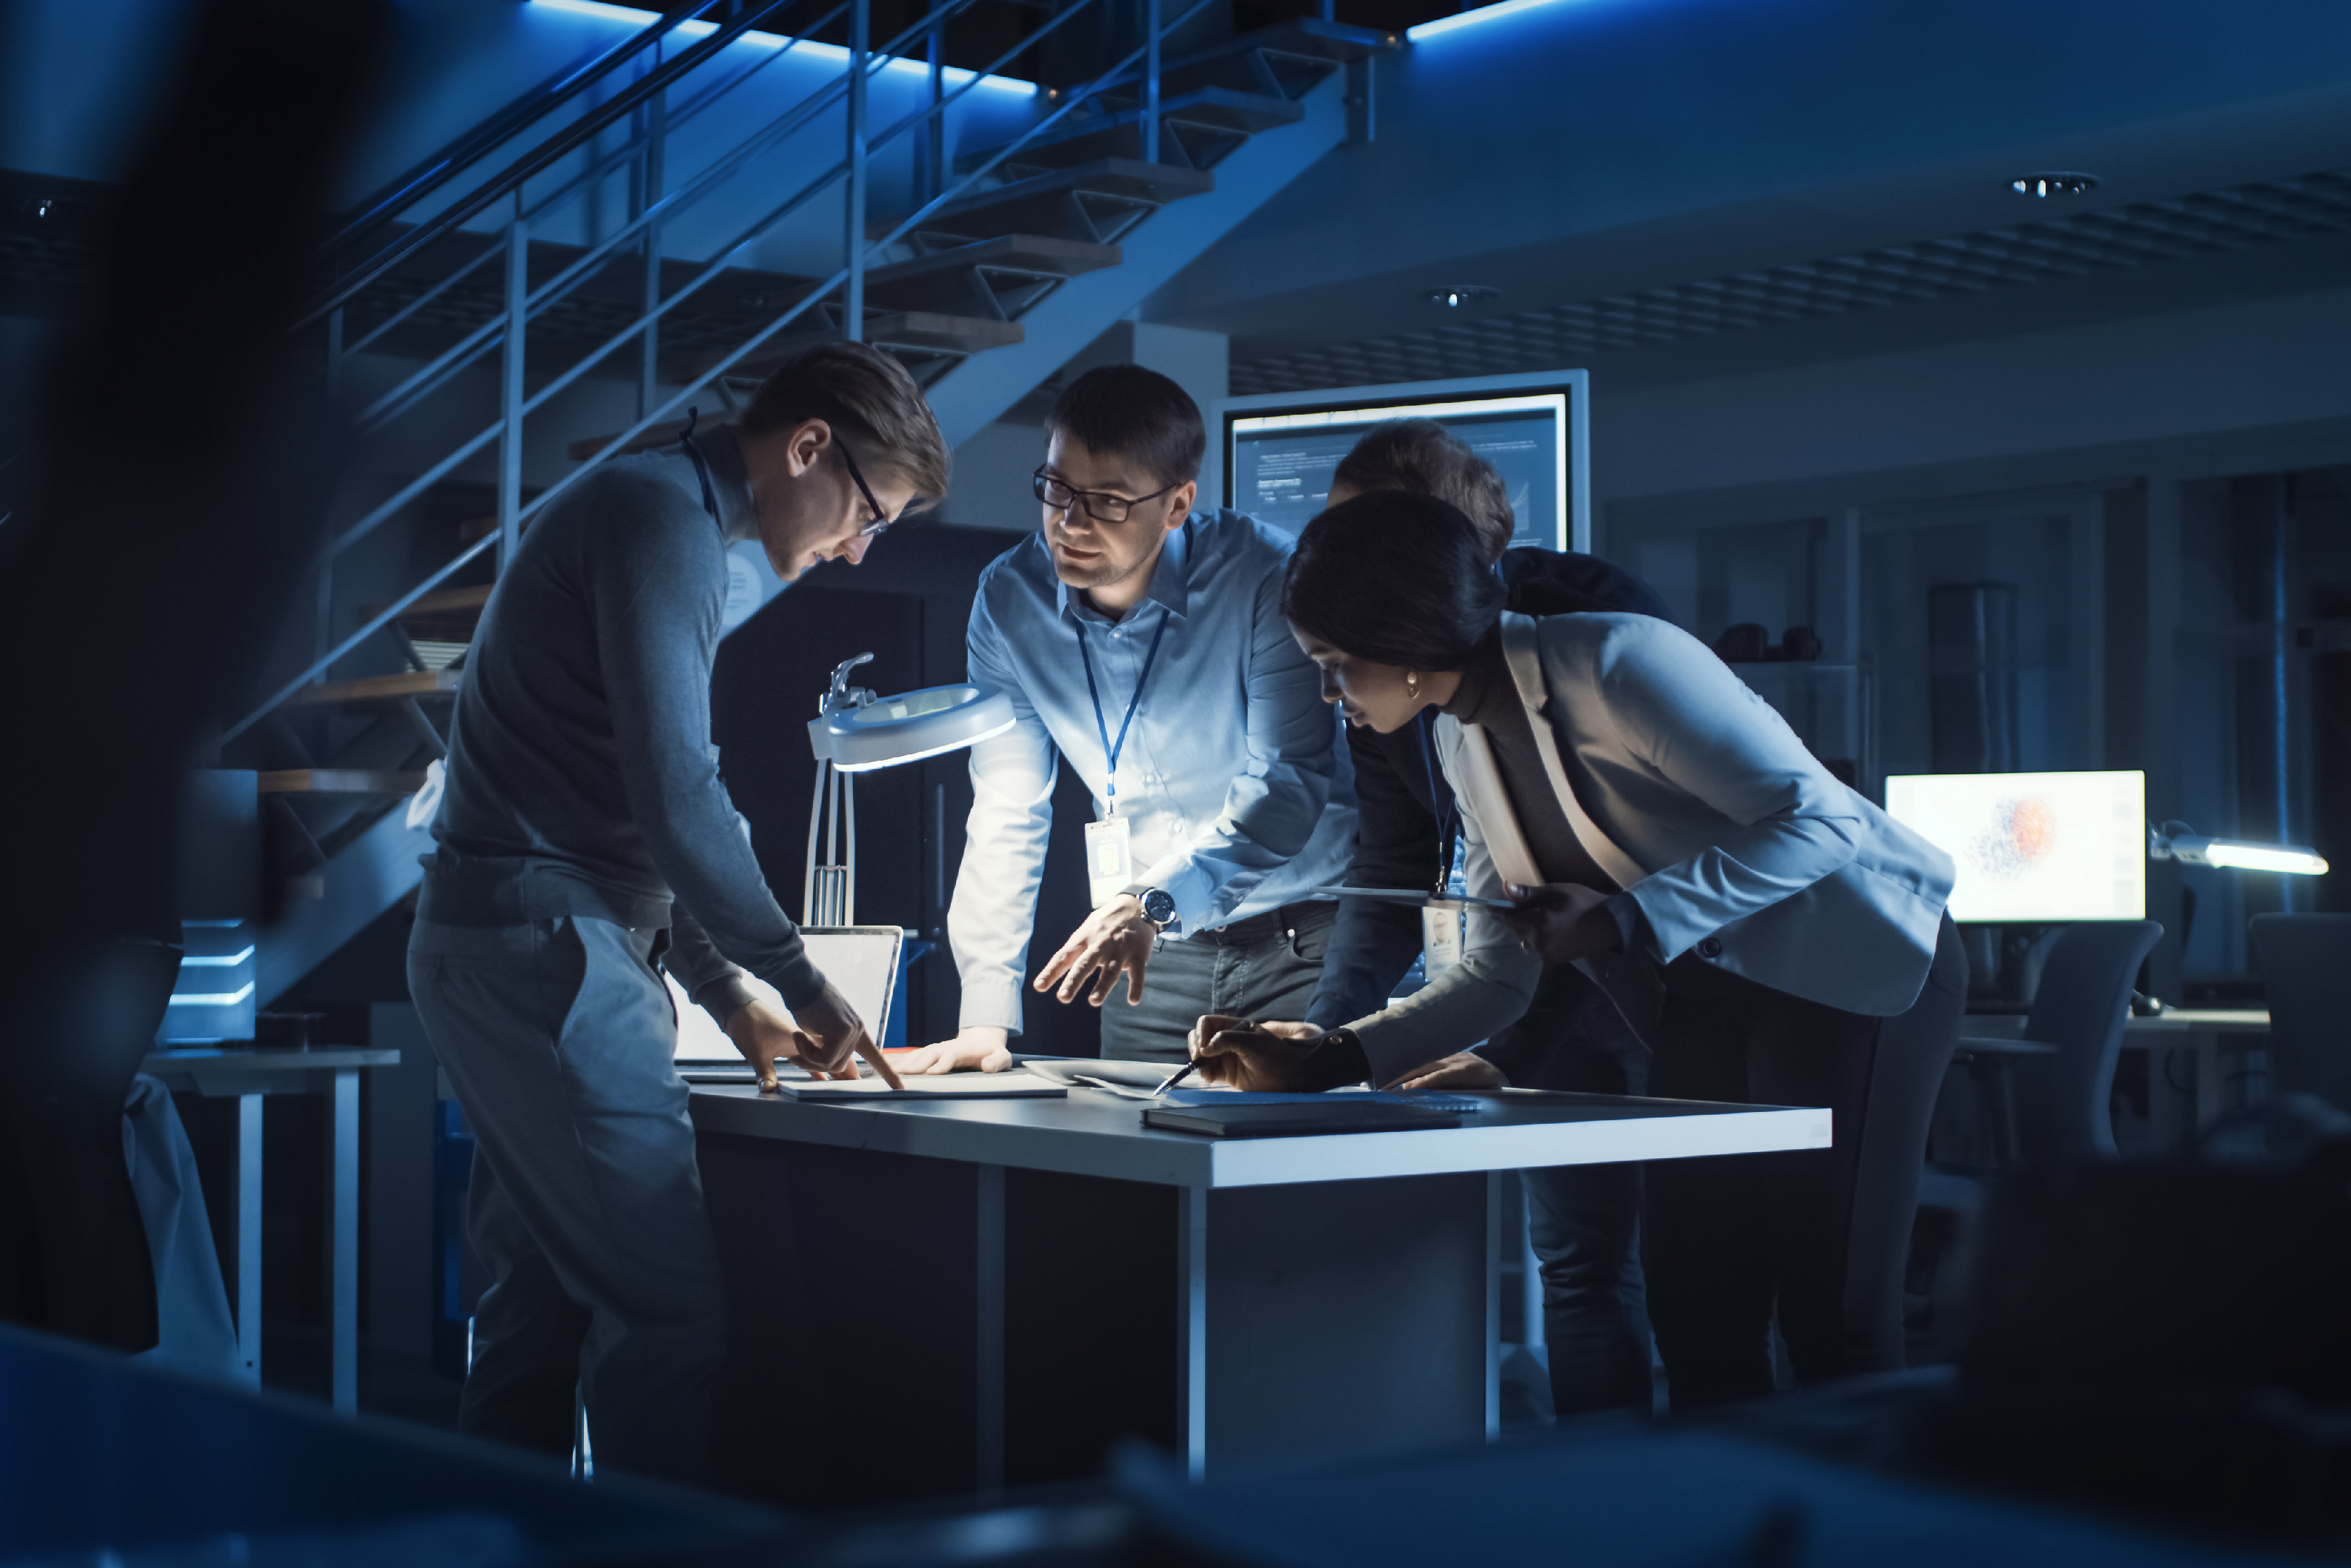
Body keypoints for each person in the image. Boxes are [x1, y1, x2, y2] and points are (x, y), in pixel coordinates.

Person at [1197, 490, 1966, 1407]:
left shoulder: (1615, 660)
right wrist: (1331, 1057)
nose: (1328, 694)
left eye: (1335, 664)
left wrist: (1619, 921)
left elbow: (1823, 820)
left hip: (1853, 967)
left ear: (1403, 644)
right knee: (1698, 1316)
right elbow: (1498, 969)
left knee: (1830, 1314)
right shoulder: (1458, 736)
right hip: (1711, 993)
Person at [406, 342, 950, 1483]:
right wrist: (797, 981)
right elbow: (675, 791)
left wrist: (725, 995)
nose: (859, 547)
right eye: (867, 511)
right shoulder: (663, 525)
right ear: (807, 447)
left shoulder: (655, 507)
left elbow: (631, 804)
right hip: (547, 951)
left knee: (535, 1320)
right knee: (670, 1324)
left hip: (517, 944)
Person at [1294, 419, 1669, 1417]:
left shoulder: (1590, 626)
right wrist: (1327, 1037)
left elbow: (1631, 871)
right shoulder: (1370, 662)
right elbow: (1393, 860)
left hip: (1641, 976)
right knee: (1580, 1265)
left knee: (1660, 1270)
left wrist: (1515, 1046)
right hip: (1509, 964)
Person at [900, 364, 1355, 1070]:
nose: (1071, 524)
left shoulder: (1265, 577)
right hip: (1148, 950)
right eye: (1056, 489)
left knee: (1301, 1166)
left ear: (1177, 505)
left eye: (1108, 501)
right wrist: (984, 1016)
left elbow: (1288, 779)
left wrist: (1154, 902)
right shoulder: (1007, 599)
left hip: (1302, 940)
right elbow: (1006, 806)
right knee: (1144, 1162)